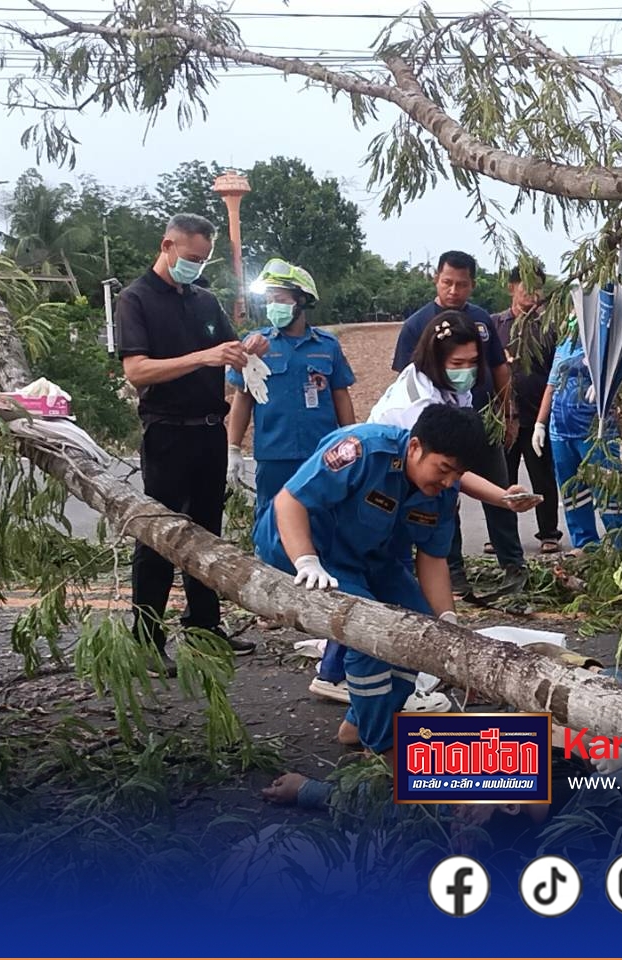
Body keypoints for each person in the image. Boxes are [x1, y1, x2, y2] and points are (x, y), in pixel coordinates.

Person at [252, 405, 493, 805]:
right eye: (443, 468)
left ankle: (359, 724)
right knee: (372, 635)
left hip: (368, 557)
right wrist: (306, 561)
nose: (449, 481)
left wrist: (447, 619)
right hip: (305, 549)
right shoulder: (362, 450)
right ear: (414, 447)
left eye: (457, 474)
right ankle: (382, 747)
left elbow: (432, 558)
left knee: (420, 630)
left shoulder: (442, 489)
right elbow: (290, 502)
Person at [117, 213, 264, 671]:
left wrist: (248, 347)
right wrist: (203, 356)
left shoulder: (204, 300)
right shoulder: (135, 299)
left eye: (203, 260)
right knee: (159, 537)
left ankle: (204, 625)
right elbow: (136, 370)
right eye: (191, 257)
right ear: (168, 245)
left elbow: (229, 347)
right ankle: (147, 637)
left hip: (208, 431)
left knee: (206, 533)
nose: (196, 267)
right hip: (167, 431)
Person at [392, 251, 524, 596]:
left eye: (462, 284)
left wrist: (507, 414)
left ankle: (513, 566)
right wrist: (499, 496)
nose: (454, 290)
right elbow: (451, 474)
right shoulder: (420, 394)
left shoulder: (480, 326)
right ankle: (450, 576)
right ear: (436, 279)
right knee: (442, 498)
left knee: (490, 487)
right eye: (447, 282)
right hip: (428, 443)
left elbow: (499, 369)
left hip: (477, 423)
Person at [225, 258, 357, 527]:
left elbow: (341, 396)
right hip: (274, 456)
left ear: (302, 300)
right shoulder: (255, 345)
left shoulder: (327, 346)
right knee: (272, 523)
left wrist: (350, 442)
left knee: (322, 521)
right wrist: (233, 448)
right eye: (270, 299)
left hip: (321, 452)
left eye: (280, 298)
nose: (273, 305)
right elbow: (242, 397)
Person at [532, 314, 622, 555]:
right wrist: (540, 423)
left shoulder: (608, 345)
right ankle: (584, 542)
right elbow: (552, 384)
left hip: (595, 432)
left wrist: (607, 385)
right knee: (573, 490)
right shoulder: (564, 344)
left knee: (609, 489)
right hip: (560, 430)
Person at [495, 262, 565, 555]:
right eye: (525, 286)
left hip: (538, 416)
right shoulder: (493, 325)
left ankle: (548, 533)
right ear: (512, 287)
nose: (532, 293)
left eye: (538, 287)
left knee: (542, 478)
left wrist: (543, 419)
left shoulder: (549, 326)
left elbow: (556, 372)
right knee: (501, 478)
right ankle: (501, 536)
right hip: (502, 418)